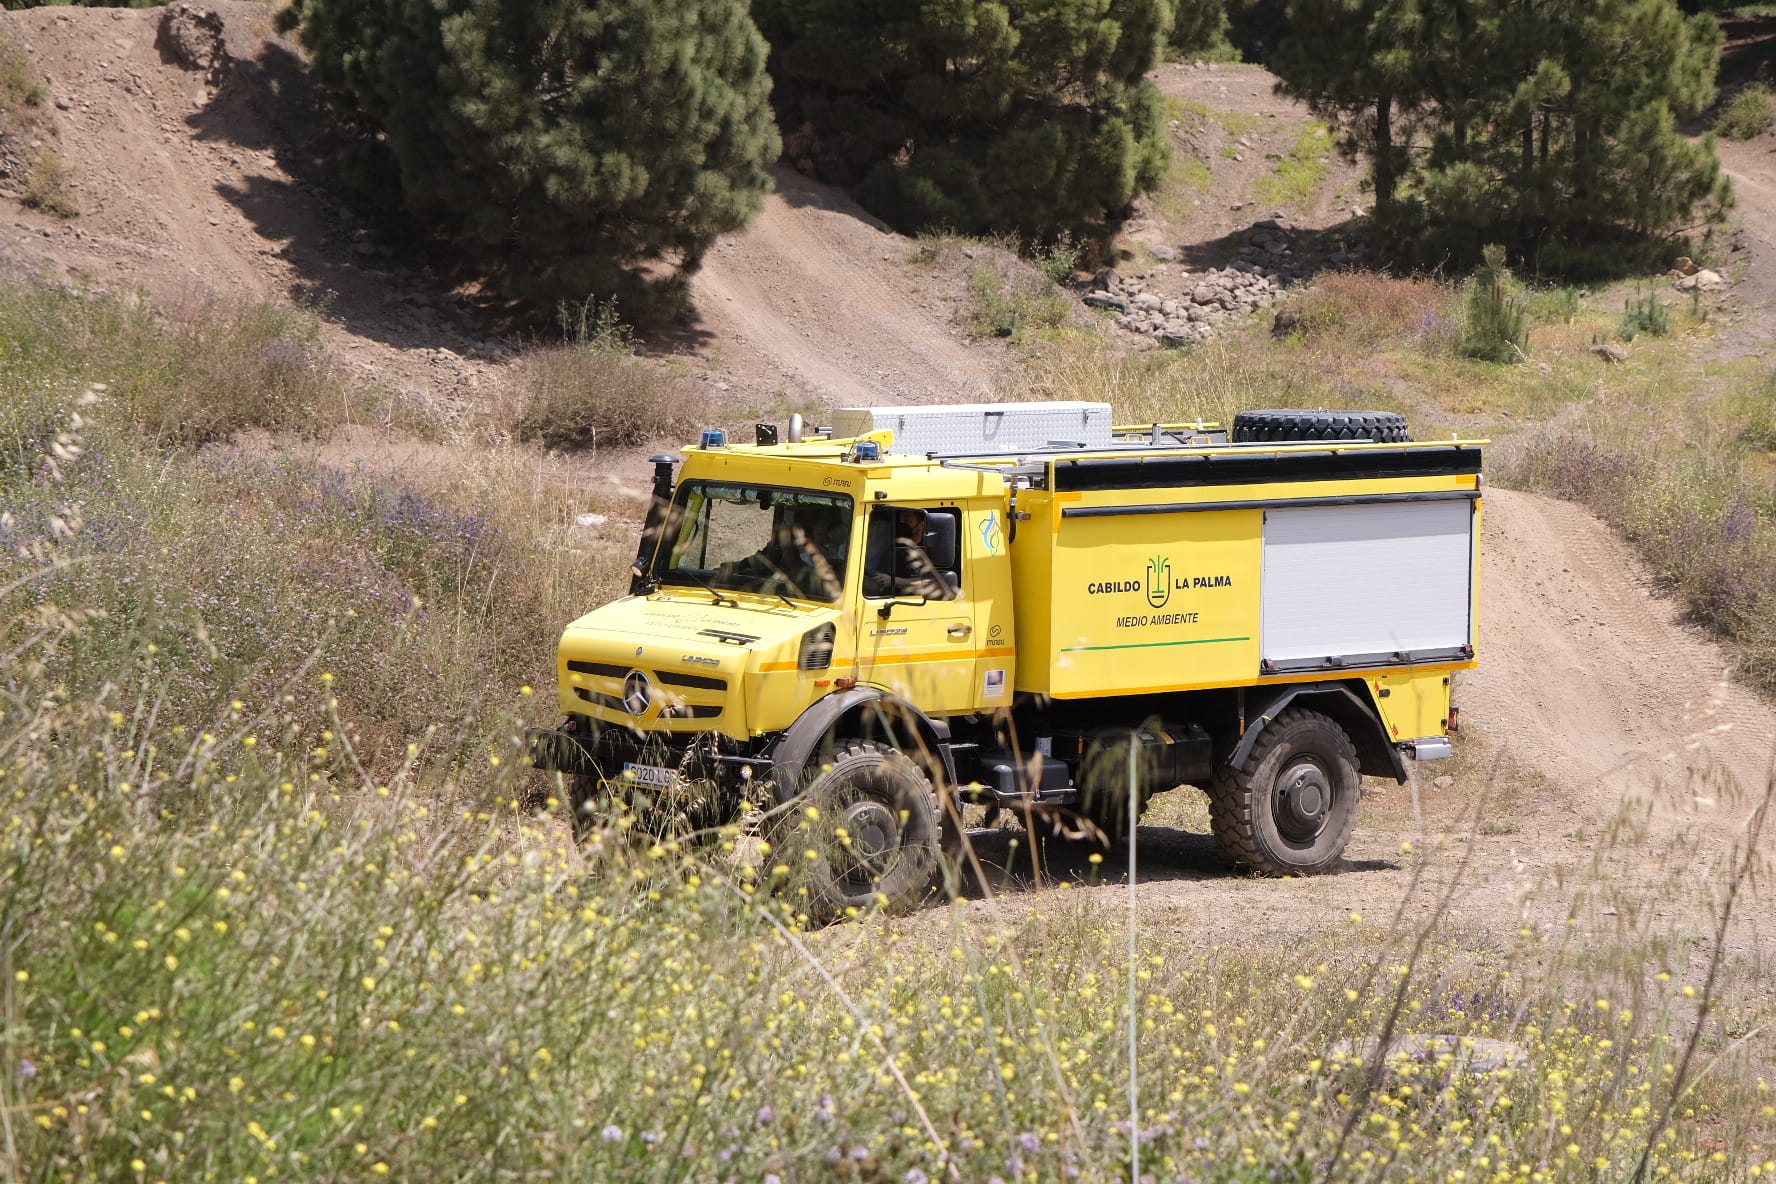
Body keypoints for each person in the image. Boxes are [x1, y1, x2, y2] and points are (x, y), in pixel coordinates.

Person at [864, 507, 954, 600]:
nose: (902, 524)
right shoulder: (890, 551)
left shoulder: (937, 552)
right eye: (900, 521)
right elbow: (877, 582)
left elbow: (934, 583)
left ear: (921, 525)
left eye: (907, 520)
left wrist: (894, 581)